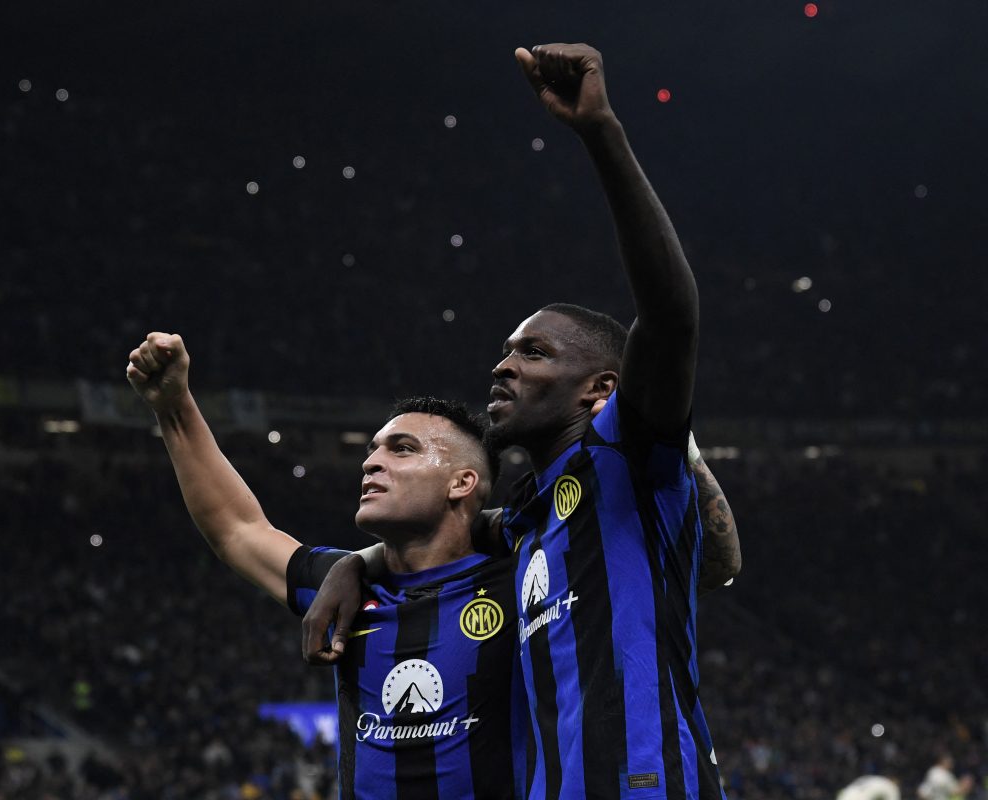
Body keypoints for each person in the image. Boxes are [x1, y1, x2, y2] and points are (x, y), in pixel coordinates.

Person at [302, 43, 735, 799]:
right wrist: (354, 562)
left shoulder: (626, 458)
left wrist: (601, 133)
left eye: (534, 354)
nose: (503, 367)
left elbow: (671, 316)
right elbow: (434, 537)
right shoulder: (526, 517)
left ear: (599, 390)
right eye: (505, 351)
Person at [125, 332, 525, 799]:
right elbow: (236, 530)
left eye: (402, 449)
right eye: (373, 449)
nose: (371, 463)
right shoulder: (345, 587)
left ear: (462, 483)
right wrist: (174, 408)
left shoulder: (522, 577)